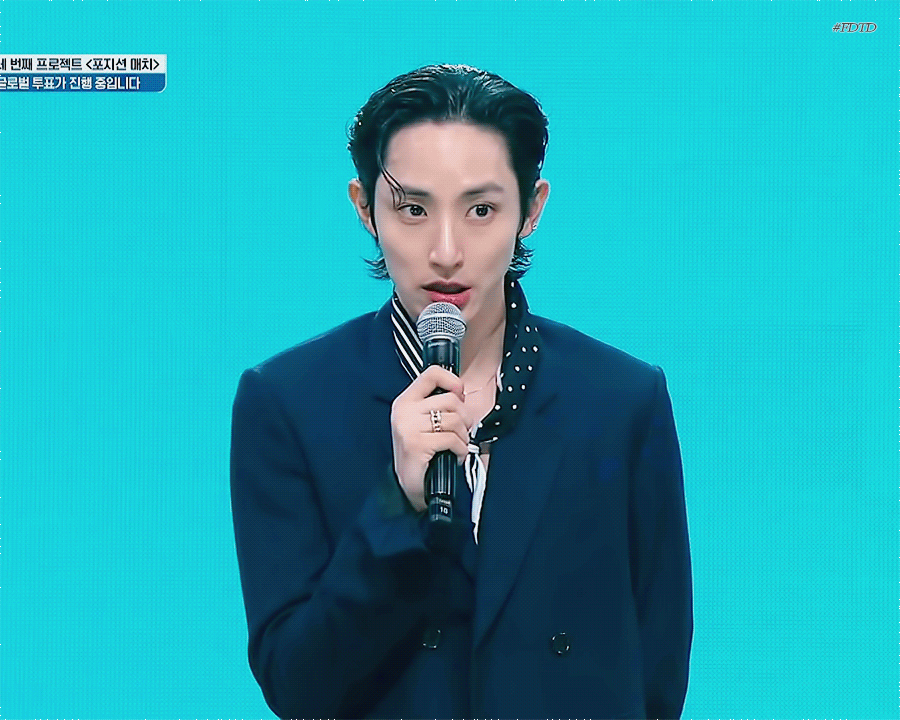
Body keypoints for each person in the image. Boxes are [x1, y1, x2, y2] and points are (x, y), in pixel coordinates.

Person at [230, 64, 693, 720]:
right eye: (413, 209)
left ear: (531, 209)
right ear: (364, 208)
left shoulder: (620, 400)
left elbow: (658, 672)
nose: (445, 252)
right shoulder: (288, 403)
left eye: (480, 210)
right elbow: (297, 685)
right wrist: (397, 506)